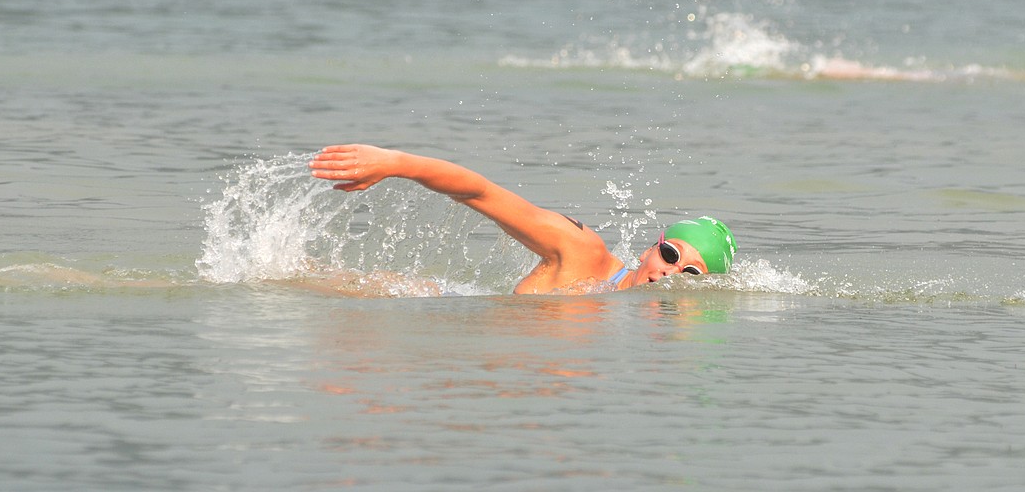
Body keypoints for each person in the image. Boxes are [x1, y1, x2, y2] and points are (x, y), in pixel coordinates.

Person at [308, 144, 737, 294]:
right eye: (669, 254)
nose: (669, 272)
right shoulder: (583, 253)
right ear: (652, 245)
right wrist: (396, 162)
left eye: (691, 272)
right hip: (433, 302)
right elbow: (483, 193)